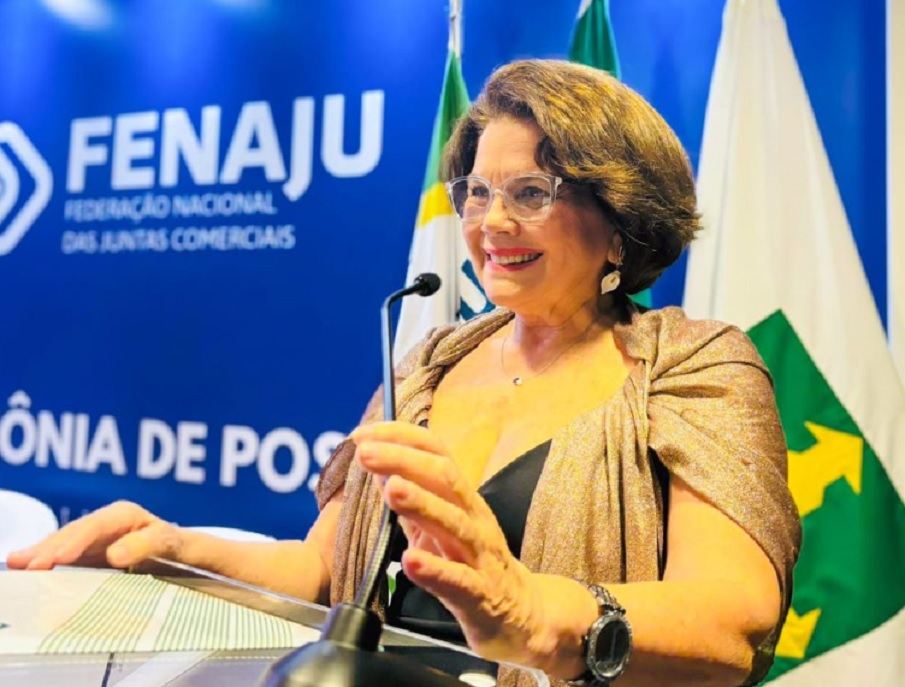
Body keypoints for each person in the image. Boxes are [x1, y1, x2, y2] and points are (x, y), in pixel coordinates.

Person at [8, 59, 801, 687]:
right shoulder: (427, 362)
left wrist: (534, 615)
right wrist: (172, 550)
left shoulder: (692, 366)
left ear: (620, 219)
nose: (490, 222)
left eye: (530, 192)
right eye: (476, 192)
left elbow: (732, 621)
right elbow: (324, 571)